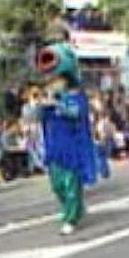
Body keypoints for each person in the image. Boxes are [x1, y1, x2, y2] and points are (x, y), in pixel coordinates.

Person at [35, 42, 96, 236]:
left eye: (57, 79)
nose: (53, 82)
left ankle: (71, 217)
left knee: (71, 184)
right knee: (57, 185)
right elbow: (38, 118)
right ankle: (75, 208)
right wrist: (42, 106)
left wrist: (59, 103)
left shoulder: (75, 95)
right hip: (54, 148)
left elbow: (77, 113)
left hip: (71, 147)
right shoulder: (48, 98)